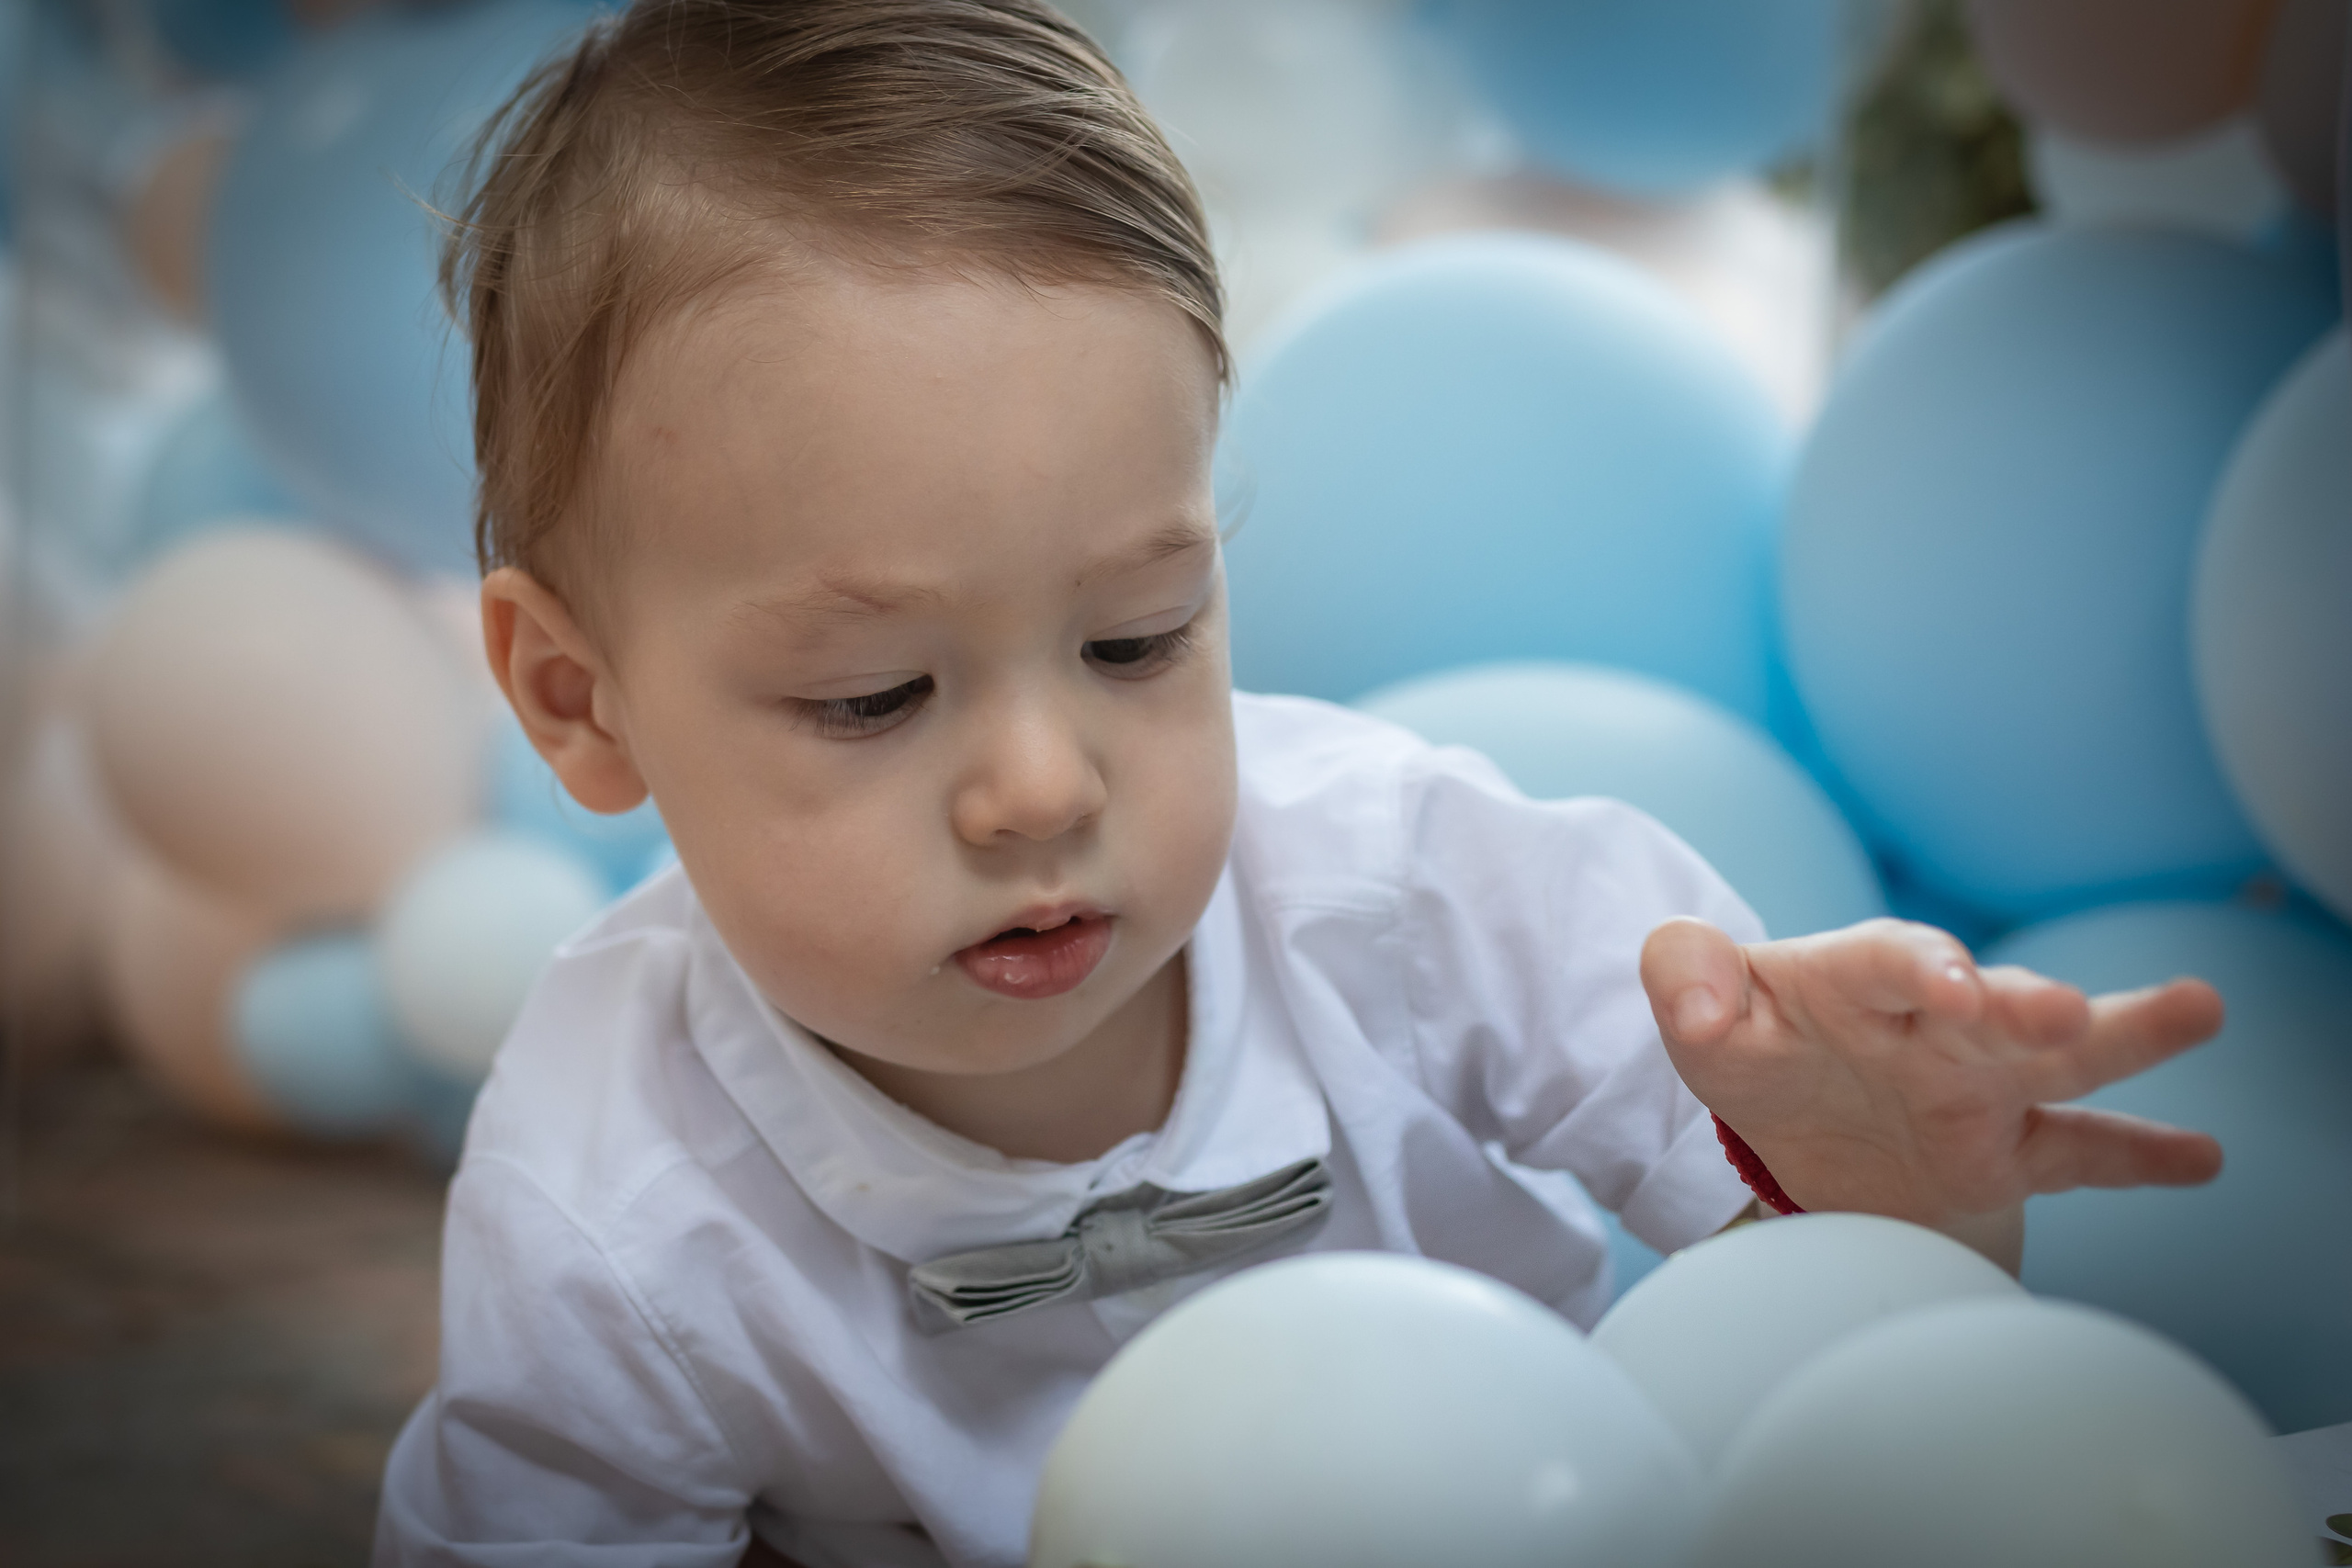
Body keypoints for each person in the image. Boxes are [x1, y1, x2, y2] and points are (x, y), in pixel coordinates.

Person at [375, 2, 2226, 1563]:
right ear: (577, 694)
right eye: (874, 694)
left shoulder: (1397, 884)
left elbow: (1846, 1366)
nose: (1036, 785)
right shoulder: (606, 1194)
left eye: (1134, 639)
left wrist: (1889, 1201)